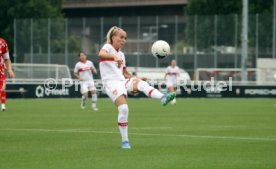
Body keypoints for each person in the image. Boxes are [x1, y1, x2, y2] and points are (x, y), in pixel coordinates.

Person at [98, 26, 176, 149]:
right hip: (111, 83)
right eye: (121, 37)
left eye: (125, 38)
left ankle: (163, 97)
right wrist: (114, 57)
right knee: (123, 109)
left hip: (122, 80)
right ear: (113, 37)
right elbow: (101, 54)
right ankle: (125, 141)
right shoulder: (108, 47)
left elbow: (124, 73)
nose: (123, 40)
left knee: (142, 84)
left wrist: (136, 78)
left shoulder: (121, 55)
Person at [0, 38, 15, 111]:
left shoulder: (2, 43)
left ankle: (3, 105)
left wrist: (9, 69)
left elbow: (6, 59)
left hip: (0, 73)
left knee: (2, 89)